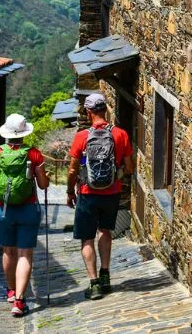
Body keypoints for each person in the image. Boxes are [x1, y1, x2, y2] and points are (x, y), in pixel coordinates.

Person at [66, 93, 134, 300]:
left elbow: (72, 170)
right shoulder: (120, 134)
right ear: (106, 109)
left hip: (87, 193)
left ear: (88, 112)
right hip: (112, 193)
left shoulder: (81, 137)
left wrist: (70, 192)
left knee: (87, 238)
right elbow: (130, 167)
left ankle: (94, 283)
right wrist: (116, 176)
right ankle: (105, 275)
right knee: (105, 231)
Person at [0, 113, 49, 317]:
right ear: (23, 133)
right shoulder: (34, 154)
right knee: (25, 254)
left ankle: (11, 291)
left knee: (8, 251)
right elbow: (43, 185)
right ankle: (20, 301)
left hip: (3, 209)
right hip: (28, 208)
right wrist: (45, 176)